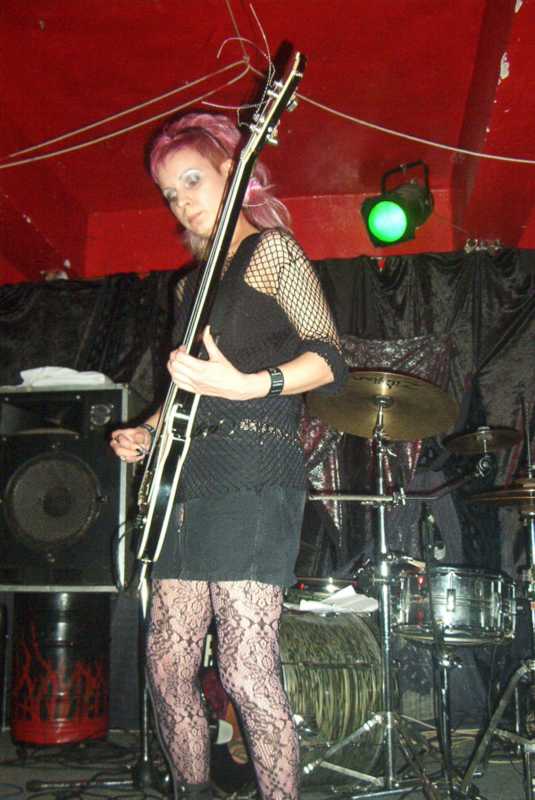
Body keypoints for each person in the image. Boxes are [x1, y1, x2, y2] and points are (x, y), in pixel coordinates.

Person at [110, 111, 347, 800]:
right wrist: (147, 431)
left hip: (254, 472)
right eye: (169, 193)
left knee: (245, 670)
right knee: (167, 669)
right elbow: (187, 390)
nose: (181, 202)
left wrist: (250, 384)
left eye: (191, 180)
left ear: (232, 172)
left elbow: (329, 360)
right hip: (186, 483)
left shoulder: (272, 252)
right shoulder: (187, 289)